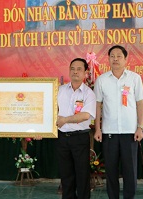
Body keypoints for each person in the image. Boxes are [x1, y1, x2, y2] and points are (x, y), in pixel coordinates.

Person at [93, 45, 143, 199]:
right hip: (109, 133)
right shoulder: (102, 80)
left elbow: (140, 103)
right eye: (112, 56)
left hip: (130, 132)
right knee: (111, 171)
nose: (115, 59)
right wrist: (97, 129)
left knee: (130, 171)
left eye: (119, 56)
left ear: (125, 59)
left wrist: (140, 127)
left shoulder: (134, 78)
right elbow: (97, 105)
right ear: (108, 59)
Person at [56, 58, 96, 199]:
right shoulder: (60, 90)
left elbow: (85, 115)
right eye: (72, 68)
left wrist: (65, 120)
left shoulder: (88, 93)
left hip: (80, 138)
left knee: (82, 175)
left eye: (79, 69)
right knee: (66, 176)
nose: (75, 72)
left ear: (85, 73)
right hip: (62, 138)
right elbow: (52, 109)